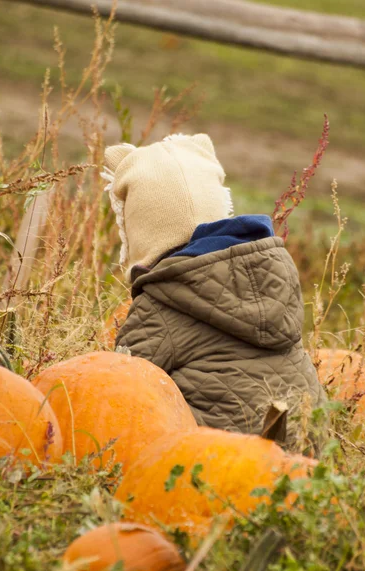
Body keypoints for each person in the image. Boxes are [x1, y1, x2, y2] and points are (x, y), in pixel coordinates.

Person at [102, 133, 325, 450]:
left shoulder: (159, 306)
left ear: (140, 239)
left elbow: (116, 390)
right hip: (311, 462)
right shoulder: (273, 278)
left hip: (217, 467)